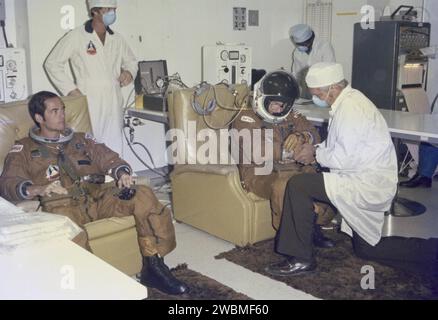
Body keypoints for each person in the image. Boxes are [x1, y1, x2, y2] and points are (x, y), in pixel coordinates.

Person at [0, 91, 188, 295]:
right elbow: (9, 182)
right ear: (39, 118)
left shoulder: (81, 139)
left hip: (99, 196)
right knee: (66, 227)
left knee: (142, 194)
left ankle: (153, 266)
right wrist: (38, 189)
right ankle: (88, 283)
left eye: (62, 109)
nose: (62, 114)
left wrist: (122, 172)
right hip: (63, 205)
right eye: (54, 111)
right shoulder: (23, 148)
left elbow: (108, 157)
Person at [264, 63, 437, 278]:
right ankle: (432, 252)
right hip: (360, 177)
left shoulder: (352, 109)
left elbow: (345, 158)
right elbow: (338, 146)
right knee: (367, 249)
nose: (317, 97)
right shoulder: (347, 102)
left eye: (318, 94)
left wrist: (314, 154)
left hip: (365, 184)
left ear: (333, 88)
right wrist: (314, 149)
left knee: (299, 186)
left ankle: (300, 258)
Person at [231, 70, 335, 248]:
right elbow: (259, 151)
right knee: (286, 185)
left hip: (293, 169)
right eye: (275, 105)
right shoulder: (246, 117)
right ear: (261, 99)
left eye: (284, 106)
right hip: (260, 174)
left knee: (327, 178)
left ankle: (313, 226)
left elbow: (315, 135)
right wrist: (295, 151)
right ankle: (291, 241)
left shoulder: (291, 116)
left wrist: (302, 136)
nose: (280, 110)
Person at [45, 0, 137, 156]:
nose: (112, 13)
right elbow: (52, 64)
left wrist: (128, 73)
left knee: (115, 146)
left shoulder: (118, 39)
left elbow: (131, 61)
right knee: (89, 145)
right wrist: (71, 91)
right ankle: (93, 180)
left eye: (114, 9)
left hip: (114, 99)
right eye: (108, 9)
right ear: (95, 11)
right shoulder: (77, 36)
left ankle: (116, 177)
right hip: (89, 99)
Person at [289, 24, 336, 99]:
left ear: (311, 39)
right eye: (298, 44)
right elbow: (296, 73)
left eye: (304, 44)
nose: (301, 47)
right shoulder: (297, 52)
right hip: (306, 88)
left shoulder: (324, 47)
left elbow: (330, 70)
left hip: (325, 88)